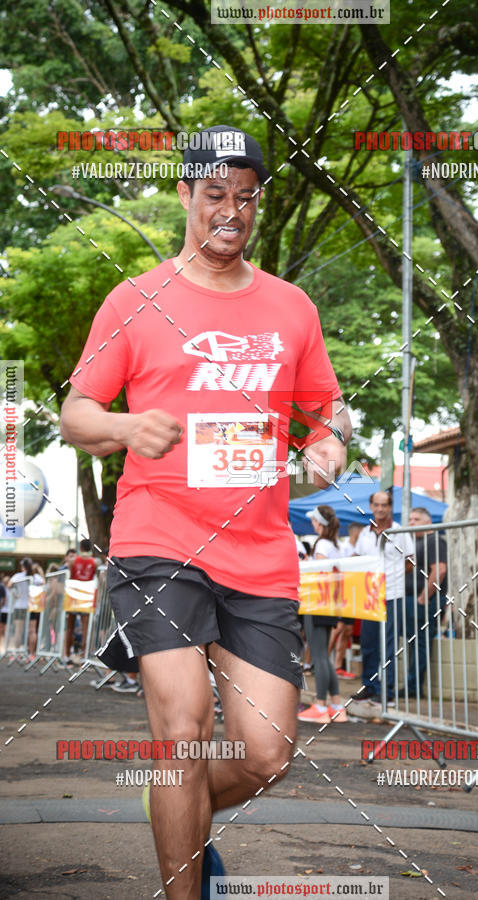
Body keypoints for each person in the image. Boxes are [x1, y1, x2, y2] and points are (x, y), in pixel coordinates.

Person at [60, 124, 350, 899]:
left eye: (246, 196)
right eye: (215, 193)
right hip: (160, 538)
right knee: (181, 733)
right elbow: (76, 412)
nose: (231, 209)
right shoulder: (137, 299)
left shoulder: (292, 308)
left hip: (259, 555)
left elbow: (327, 411)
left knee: (267, 752)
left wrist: (328, 446)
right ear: (186, 195)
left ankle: (174, 814)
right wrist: (124, 427)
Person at [351, 491, 414, 703]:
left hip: (392, 595)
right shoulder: (365, 534)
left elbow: (411, 562)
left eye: (384, 505)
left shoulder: (400, 532)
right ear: (371, 506)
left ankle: (388, 691)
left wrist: (391, 577)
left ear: (389, 507)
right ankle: (370, 685)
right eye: (376, 505)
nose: (380, 509)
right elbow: (357, 560)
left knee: (388, 645)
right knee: (368, 643)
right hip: (369, 596)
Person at [298, 506, 348, 724]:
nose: (312, 524)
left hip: (317, 602)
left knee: (319, 656)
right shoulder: (337, 545)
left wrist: (305, 565)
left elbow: (319, 573)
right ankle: (336, 705)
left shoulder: (323, 544)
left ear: (319, 523)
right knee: (323, 656)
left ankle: (320, 705)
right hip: (330, 604)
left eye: (314, 521)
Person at [403, 507, 448, 697]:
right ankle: (411, 685)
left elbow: (439, 570)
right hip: (413, 598)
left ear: (428, 522)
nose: (411, 522)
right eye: (410, 519)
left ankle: (414, 687)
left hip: (424, 601)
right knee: (414, 642)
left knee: (420, 642)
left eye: (416, 519)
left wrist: (424, 597)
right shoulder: (416, 543)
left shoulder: (434, 541)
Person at [330, 521, 364, 679]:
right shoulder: (344, 548)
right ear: (355, 532)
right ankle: (322, 662)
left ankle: (337, 666)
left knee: (347, 630)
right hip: (342, 594)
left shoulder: (359, 549)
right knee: (338, 628)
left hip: (353, 594)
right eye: (361, 532)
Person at [62, 538, 98, 665]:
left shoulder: (72, 561)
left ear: (80, 548)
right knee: (85, 629)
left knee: (70, 627)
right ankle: (83, 656)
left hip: (73, 596)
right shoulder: (95, 562)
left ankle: (67, 656)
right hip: (87, 597)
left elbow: (71, 577)